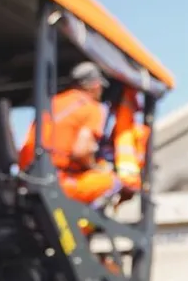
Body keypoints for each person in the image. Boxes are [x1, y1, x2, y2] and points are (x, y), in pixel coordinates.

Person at [18, 61, 118, 204]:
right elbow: (81, 151)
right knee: (113, 182)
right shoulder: (91, 107)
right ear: (95, 85)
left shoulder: (52, 102)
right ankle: (83, 226)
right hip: (57, 181)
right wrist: (95, 167)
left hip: (27, 178)